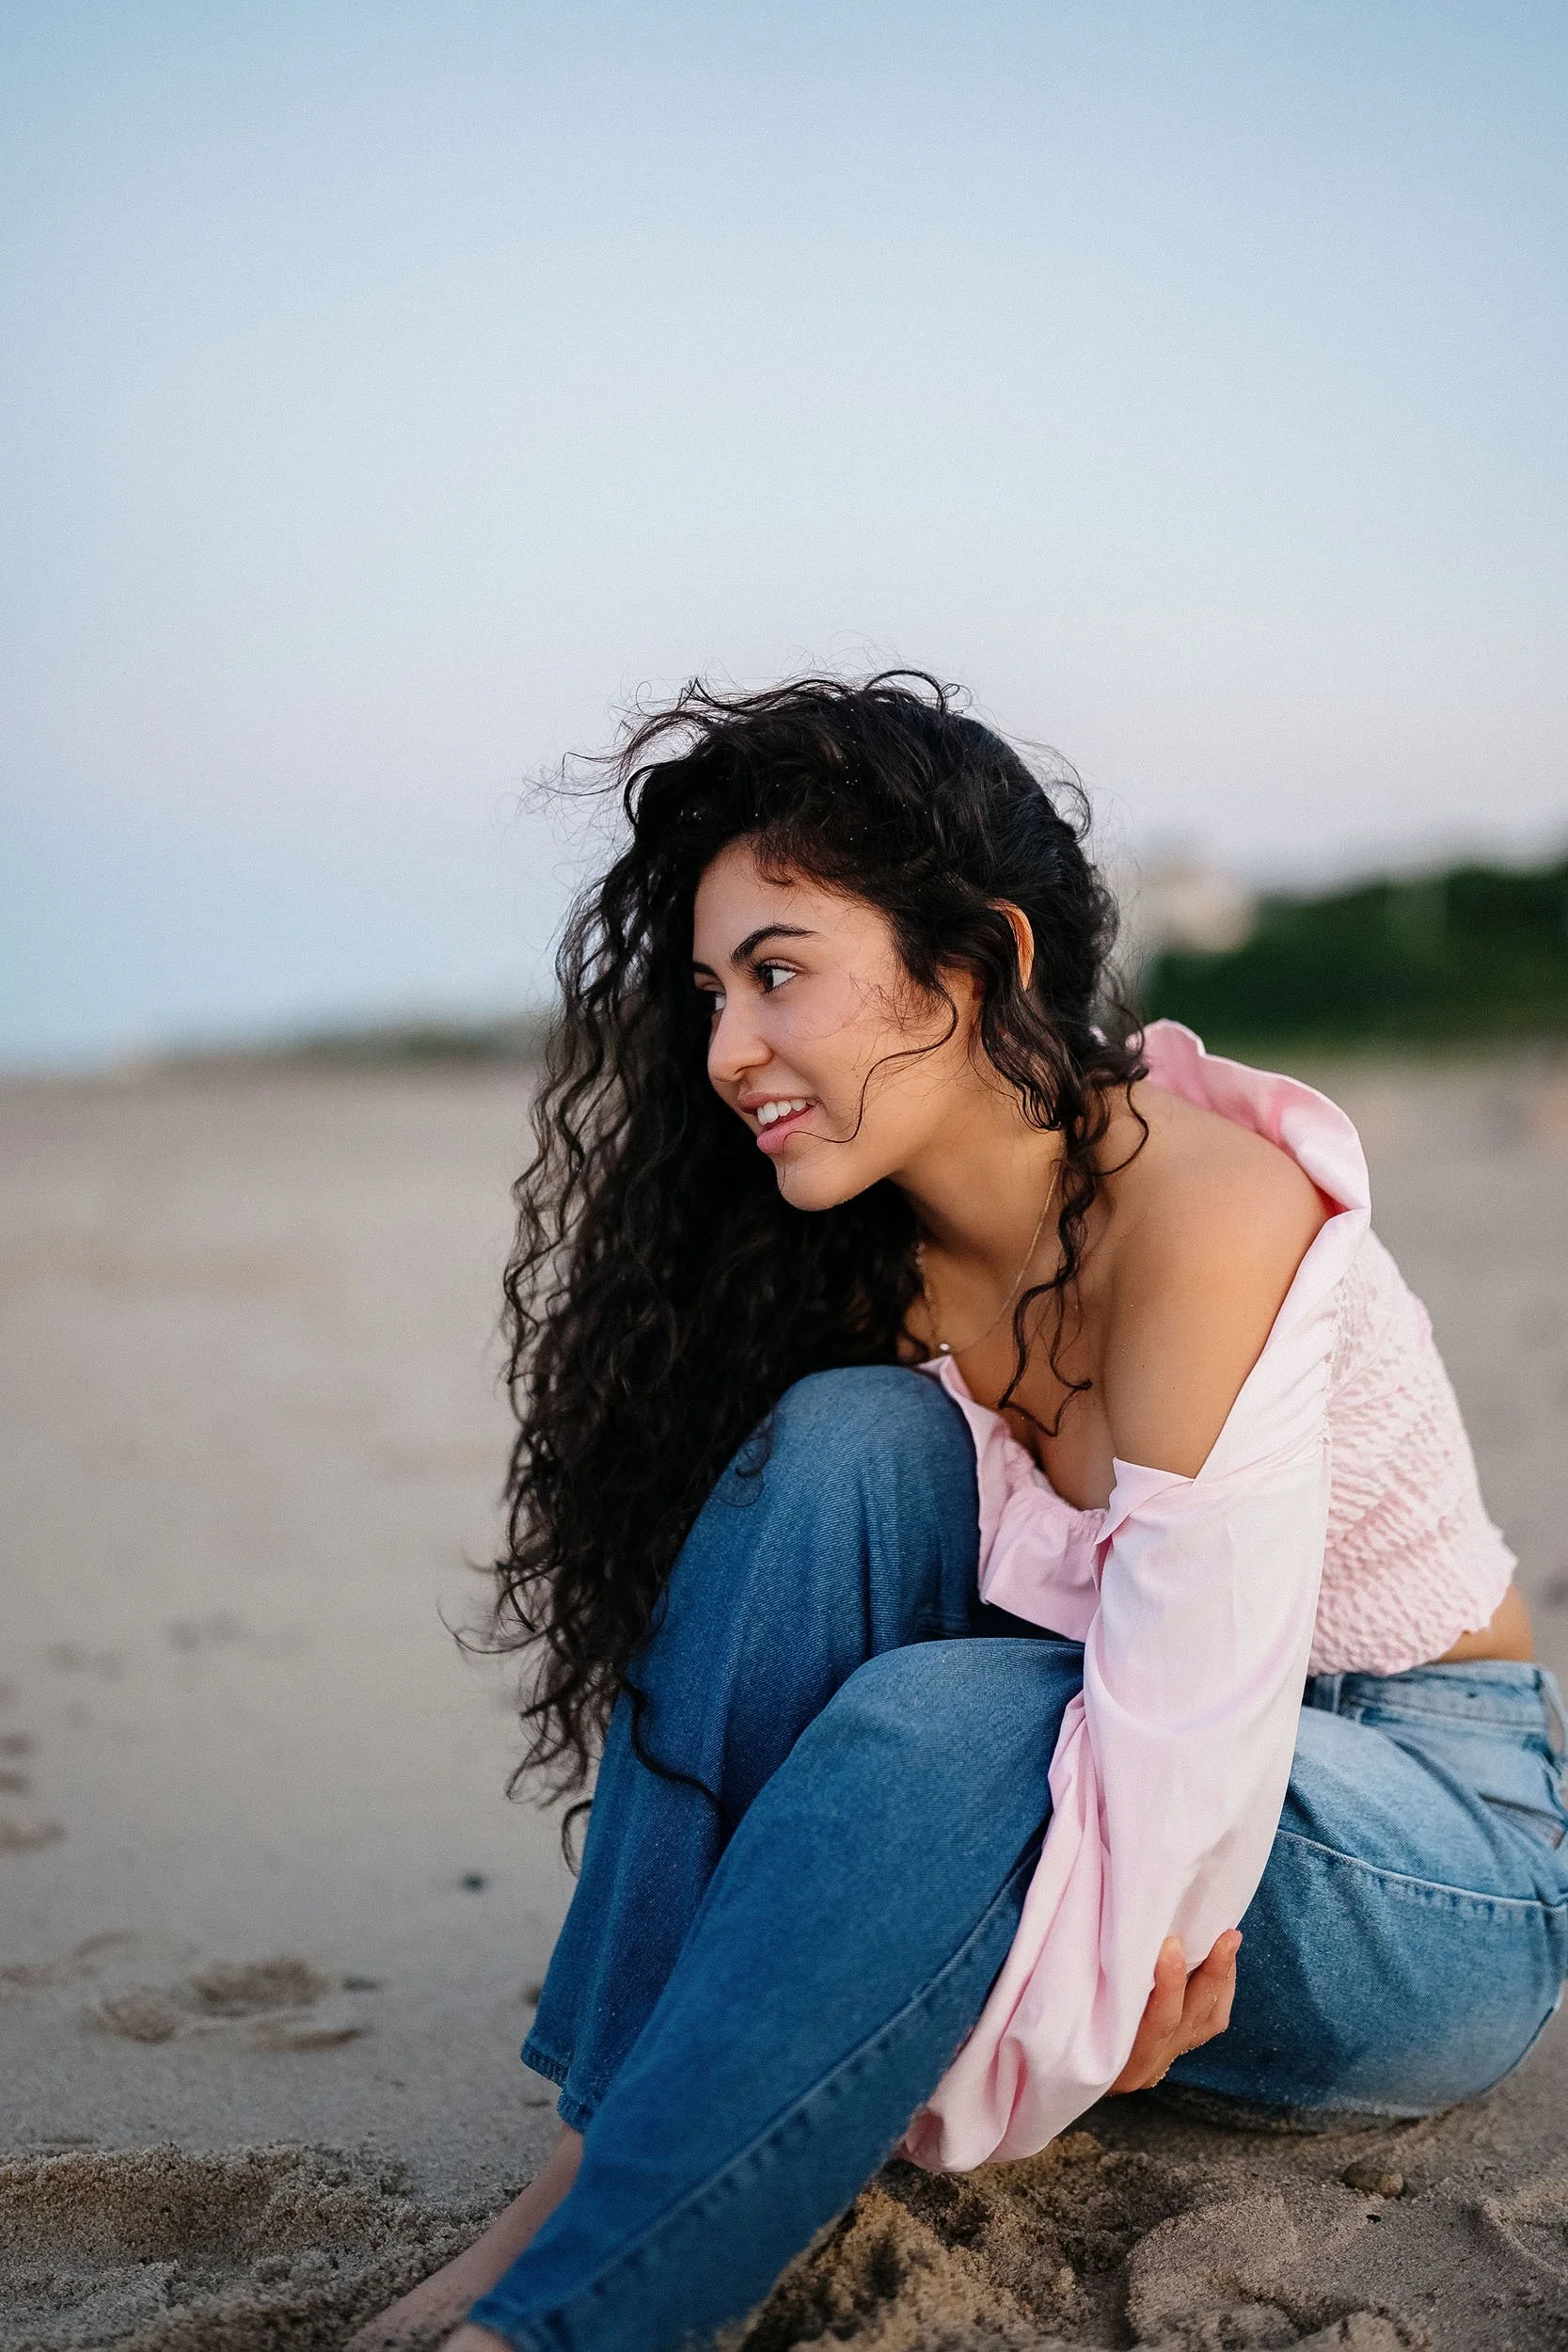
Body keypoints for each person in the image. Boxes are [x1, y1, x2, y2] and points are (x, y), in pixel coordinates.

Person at [351, 675, 1567, 2352]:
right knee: (844, 1439)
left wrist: (1021, 2033)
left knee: (961, 1711)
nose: (725, 1051)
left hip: (1430, 1860)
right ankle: (583, 2166)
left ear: (979, 962)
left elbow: (1182, 1775)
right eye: (709, 992)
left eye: (780, 974)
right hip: (1111, 1791)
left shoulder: (1205, 1206)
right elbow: (792, 1694)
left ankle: (563, 2322)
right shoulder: (868, 1265)